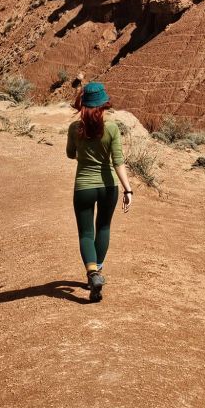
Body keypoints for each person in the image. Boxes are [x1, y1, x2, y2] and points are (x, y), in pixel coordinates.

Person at [66, 76, 133, 301]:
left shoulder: (75, 128)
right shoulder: (112, 128)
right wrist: (128, 189)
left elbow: (70, 154)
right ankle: (98, 271)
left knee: (86, 233)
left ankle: (92, 273)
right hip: (108, 186)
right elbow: (118, 161)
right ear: (104, 104)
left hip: (83, 187)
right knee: (103, 228)